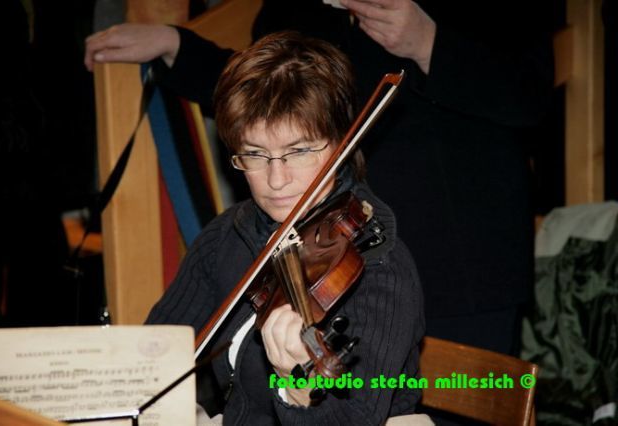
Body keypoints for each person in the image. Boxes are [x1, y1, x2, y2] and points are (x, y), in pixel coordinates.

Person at [85, 0, 553, 356]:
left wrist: (429, 43)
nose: (275, 176)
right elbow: (275, 95)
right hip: (331, 251)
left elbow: (531, 95)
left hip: (464, 259)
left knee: (462, 397)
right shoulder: (225, 239)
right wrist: (177, 46)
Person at [144, 31, 424, 424]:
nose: (276, 180)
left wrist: (296, 388)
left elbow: (354, 417)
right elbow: (155, 350)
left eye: (299, 151)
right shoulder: (228, 235)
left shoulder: (378, 265)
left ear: (341, 142)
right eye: (255, 154)